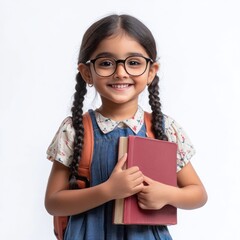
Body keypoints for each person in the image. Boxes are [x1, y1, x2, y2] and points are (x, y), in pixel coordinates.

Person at [45, 14, 208, 240]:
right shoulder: (73, 129)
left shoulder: (164, 128)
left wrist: (167, 194)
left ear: (151, 71)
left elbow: (198, 194)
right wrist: (108, 191)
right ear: (86, 72)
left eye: (133, 62)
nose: (120, 72)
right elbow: (53, 203)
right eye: (106, 63)